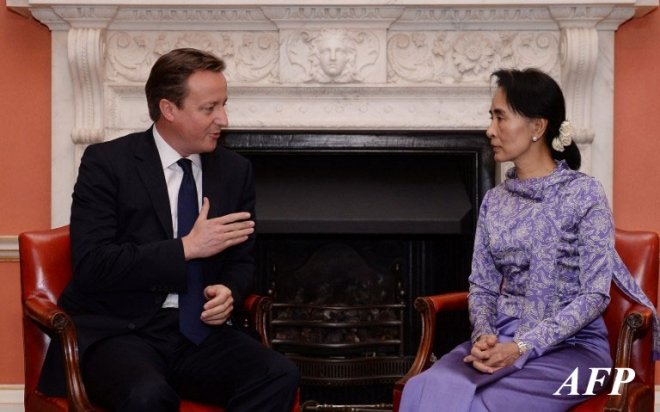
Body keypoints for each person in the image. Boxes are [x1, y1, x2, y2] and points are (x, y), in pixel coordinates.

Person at [38, 47, 299, 411]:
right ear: (168, 109)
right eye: (209, 108)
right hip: (121, 332)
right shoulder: (108, 164)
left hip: (199, 332)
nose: (222, 118)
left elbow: (242, 260)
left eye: (223, 104)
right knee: (147, 395)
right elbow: (94, 263)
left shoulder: (234, 171)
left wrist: (228, 291)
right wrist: (186, 249)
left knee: (277, 374)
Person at [399, 68, 659, 411]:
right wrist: (484, 337)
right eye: (491, 117)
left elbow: (595, 295)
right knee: (424, 388)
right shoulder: (495, 200)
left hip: (580, 356)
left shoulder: (584, 194)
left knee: (484, 403)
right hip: (503, 340)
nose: (489, 129)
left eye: (500, 118)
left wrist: (522, 346)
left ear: (538, 127)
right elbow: (483, 286)